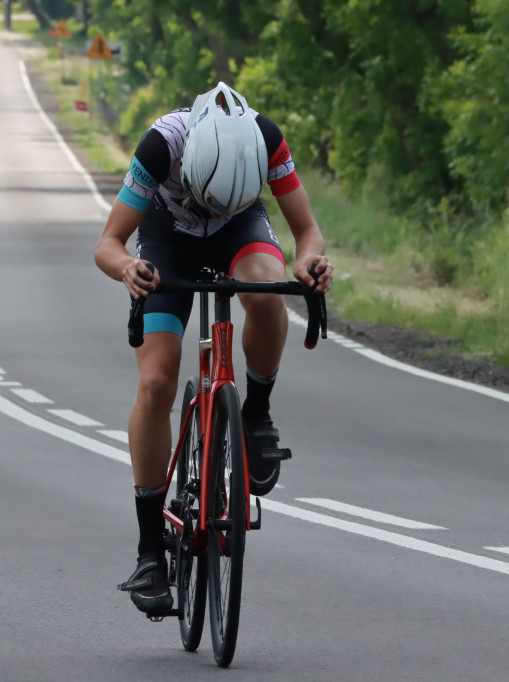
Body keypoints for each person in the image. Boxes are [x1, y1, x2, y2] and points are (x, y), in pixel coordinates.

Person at [94, 82, 333, 616]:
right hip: (166, 239)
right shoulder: (163, 145)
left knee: (267, 292)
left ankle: (256, 415)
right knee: (157, 381)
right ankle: (151, 547)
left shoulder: (264, 139)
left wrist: (308, 262)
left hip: (239, 231)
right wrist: (127, 268)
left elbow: (308, 232)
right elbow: (107, 244)